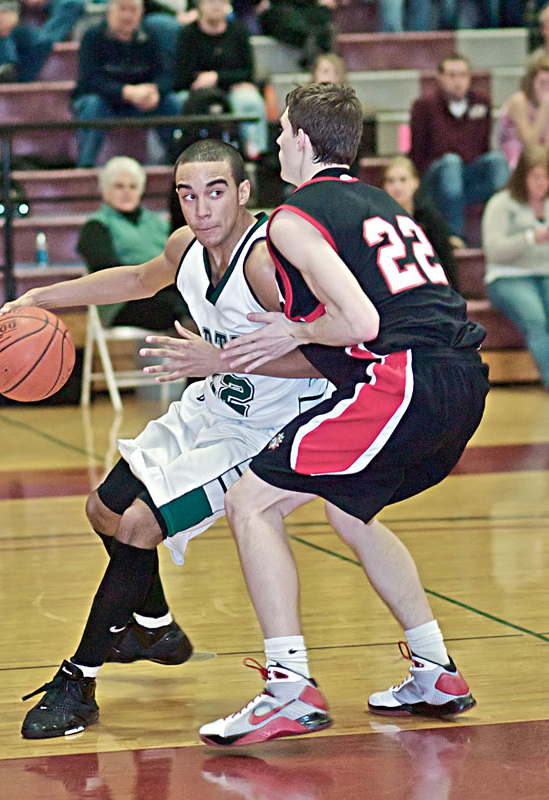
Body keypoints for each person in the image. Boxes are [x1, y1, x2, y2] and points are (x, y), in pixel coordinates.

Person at [0, 139, 331, 739]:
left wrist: (216, 358)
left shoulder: (270, 265)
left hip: (264, 431)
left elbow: (329, 360)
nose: (202, 209)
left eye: (216, 192)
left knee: (140, 526)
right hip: (209, 408)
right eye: (188, 195)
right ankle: (154, 625)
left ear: (244, 193)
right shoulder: (184, 246)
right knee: (102, 509)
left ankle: (78, 682)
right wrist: (42, 297)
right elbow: (139, 279)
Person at [198, 82, 490, 747]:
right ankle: (436, 670)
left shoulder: (293, 219)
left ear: (301, 140)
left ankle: (287, 689)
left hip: (406, 377)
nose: (274, 145)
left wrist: (295, 331)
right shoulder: (381, 201)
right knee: (347, 510)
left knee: (251, 504)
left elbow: (358, 320)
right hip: (462, 379)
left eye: (279, 134)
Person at [76, 155, 188, 329]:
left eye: (133, 186)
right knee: (174, 306)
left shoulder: (159, 223)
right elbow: (106, 269)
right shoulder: (96, 226)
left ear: (141, 190)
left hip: (166, 290)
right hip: (121, 302)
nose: (127, 192)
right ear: (105, 191)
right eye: (119, 186)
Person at [409, 52, 509, 242]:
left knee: (497, 160)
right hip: (436, 179)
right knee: (451, 163)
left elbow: (483, 148)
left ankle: (504, 224)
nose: (458, 81)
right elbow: (418, 154)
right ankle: (454, 235)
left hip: (466, 176)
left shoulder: (481, 103)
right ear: (439, 77)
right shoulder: (424, 106)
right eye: (451, 75)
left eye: (463, 75)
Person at [72, 0, 180, 167]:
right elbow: (90, 80)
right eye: (122, 9)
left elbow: (167, 75)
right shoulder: (92, 36)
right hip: (106, 102)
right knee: (92, 105)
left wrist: (154, 90)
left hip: (143, 102)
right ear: (109, 12)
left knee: (172, 102)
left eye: (133, 10)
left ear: (141, 13)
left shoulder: (152, 36)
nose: (127, 16)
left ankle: (179, 162)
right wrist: (125, 92)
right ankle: (85, 167)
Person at [482, 144, 549, 389]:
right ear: (523, 176)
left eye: (546, 177)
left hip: (545, 273)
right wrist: (530, 238)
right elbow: (494, 250)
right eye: (536, 177)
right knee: (535, 318)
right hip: (507, 276)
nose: (542, 183)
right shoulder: (501, 204)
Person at [173, 0, 268, 160]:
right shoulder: (187, 34)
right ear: (199, 5)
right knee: (178, 101)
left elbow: (247, 73)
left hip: (232, 90)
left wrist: (217, 78)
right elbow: (181, 77)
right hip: (196, 92)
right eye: (210, 1)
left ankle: (256, 155)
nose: (215, 5)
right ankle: (182, 154)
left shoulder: (239, 32)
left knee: (249, 100)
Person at [382, 155, 459, 291]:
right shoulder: (377, 221)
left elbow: (446, 263)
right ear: (384, 186)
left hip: (431, 292)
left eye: (403, 180)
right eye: (391, 181)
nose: (397, 186)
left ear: (415, 182)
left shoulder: (431, 218)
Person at [499, 54, 549, 172]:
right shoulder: (519, 101)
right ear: (532, 82)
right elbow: (530, 143)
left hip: (538, 161)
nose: (547, 89)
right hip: (514, 161)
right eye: (542, 83)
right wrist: (544, 109)